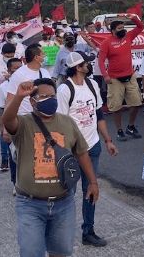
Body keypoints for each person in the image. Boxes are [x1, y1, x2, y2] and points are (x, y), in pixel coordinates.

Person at [2, 77, 100, 257]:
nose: (51, 99)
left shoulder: (67, 122)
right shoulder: (24, 124)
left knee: (61, 251)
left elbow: (81, 152)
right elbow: (7, 120)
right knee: (31, 252)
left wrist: (93, 182)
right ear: (33, 102)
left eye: (52, 95)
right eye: (44, 96)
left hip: (64, 203)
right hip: (30, 204)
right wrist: (18, 97)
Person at [56, 52, 118, 247]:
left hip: (93, 147)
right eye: (85, 63)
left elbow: (98, 115)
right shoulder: (65, 89)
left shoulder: (92, 85)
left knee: (90, 189)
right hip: (72, 151)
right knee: (68, 192)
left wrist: (107, 140)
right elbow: (60, 122)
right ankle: (60, 232)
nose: (89, 65)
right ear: (77, 67)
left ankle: (88, 231)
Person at [98, 13, 144, 141]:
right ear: (112, 31)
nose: (123, 30)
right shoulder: (106, 43)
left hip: (130, 76)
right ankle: (119, 131)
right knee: (116, 107)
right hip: (114, 79)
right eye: (119, 28)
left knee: (136, 103)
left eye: (123, 27)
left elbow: (141, 27)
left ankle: (130, 127)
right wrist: (105, 75)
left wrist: (133, 17)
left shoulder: (128, 36)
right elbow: (101, 61)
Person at [0, 58, 22, 173]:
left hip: (22, 118)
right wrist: (4, 126)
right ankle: (5, 159)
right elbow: (0, 106)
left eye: (21, 67)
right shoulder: (4, 86)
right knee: (5, 136)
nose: (19, 71)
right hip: (5, 114)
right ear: (9, 70)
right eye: (16, 68)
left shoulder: (28, 82)